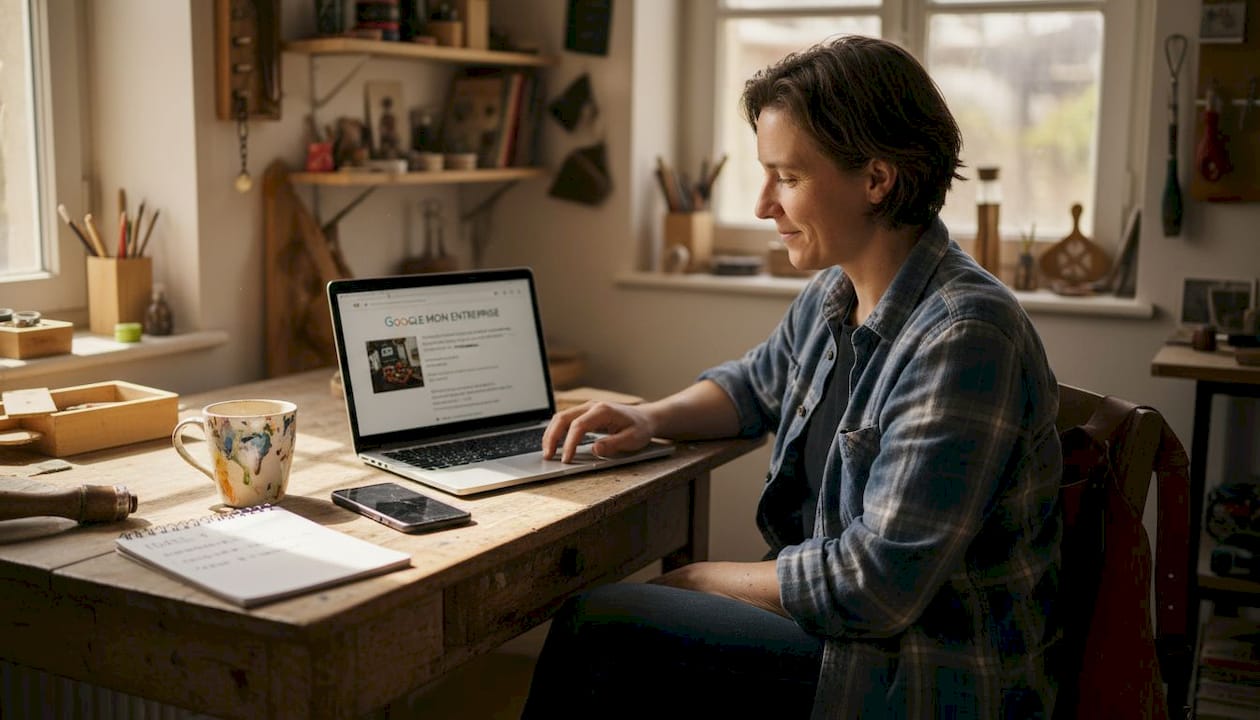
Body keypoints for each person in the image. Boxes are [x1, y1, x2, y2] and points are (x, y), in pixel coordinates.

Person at [522, 35, 1062, 719]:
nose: (761, 205)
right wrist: (650, 417)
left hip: (911, 674)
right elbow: (752, 387)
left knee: (600, 629)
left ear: (876, 178)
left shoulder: (964, 336)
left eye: (789, 177)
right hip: (841, 639)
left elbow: (876, 588)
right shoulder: (835, 293)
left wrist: (701, 578)